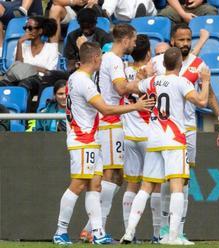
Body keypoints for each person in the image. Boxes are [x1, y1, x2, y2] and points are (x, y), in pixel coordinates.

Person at [52, 41, 154, 245]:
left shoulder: (75, 78)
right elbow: (106, 109)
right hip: (82, 140)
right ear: (96, 58)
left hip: (91, 139)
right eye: (101, 57)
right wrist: (137, 106)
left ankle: (97, 232)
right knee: (78, 185)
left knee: (95, 185)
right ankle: (60, 230)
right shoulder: (84, 82)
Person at [120, 47, 211, 245]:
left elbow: (129, 88)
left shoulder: (152, 81)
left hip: (153, 137)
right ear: (180, 63)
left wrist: (141, 75)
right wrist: (206, 81)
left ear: (163, 64)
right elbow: (202, 100)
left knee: (145, 187)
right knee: (177, 187)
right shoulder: (182, 82)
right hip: (175, 139)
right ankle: (172, 236)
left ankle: (129, 231)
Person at [151, 23, 219, 244]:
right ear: (172, 41)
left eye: (188, 39)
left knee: (183, 182)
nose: (185, 43)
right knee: (164, 181)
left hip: (188, 130)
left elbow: (209, 93)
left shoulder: (198, 64)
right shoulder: (162, 63)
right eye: (181, 40)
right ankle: (163, 230)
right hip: (165, 129)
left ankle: (178, 230)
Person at [79, 24, 146, 240]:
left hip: (111, 122)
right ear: (125, 39)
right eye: (133, 39)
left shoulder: (108, 58)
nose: (135, 44)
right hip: (109, 122)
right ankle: (96, 231)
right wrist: (145, 84)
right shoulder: (115, 60)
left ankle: (91, 228)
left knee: (117, 176)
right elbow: (121, 88)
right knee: (109, 174)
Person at [118, 34, 159, 243]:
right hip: (148, 135)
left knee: (131, 185)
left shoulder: (125, 72)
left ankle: (129, 232)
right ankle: (157, 233)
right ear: (149, 53)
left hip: (129, 135)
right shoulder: (153, 74)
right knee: (155, 184)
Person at [64, 7, 113, 73]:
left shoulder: (104, 37)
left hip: (98, 71)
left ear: (95, 23)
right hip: (78, 71)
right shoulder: (72, 37)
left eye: (89, 27)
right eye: (83, 27)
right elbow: (70, 62)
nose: (86, 31)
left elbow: (106, 62)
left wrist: (83, 47)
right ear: (79, 24)